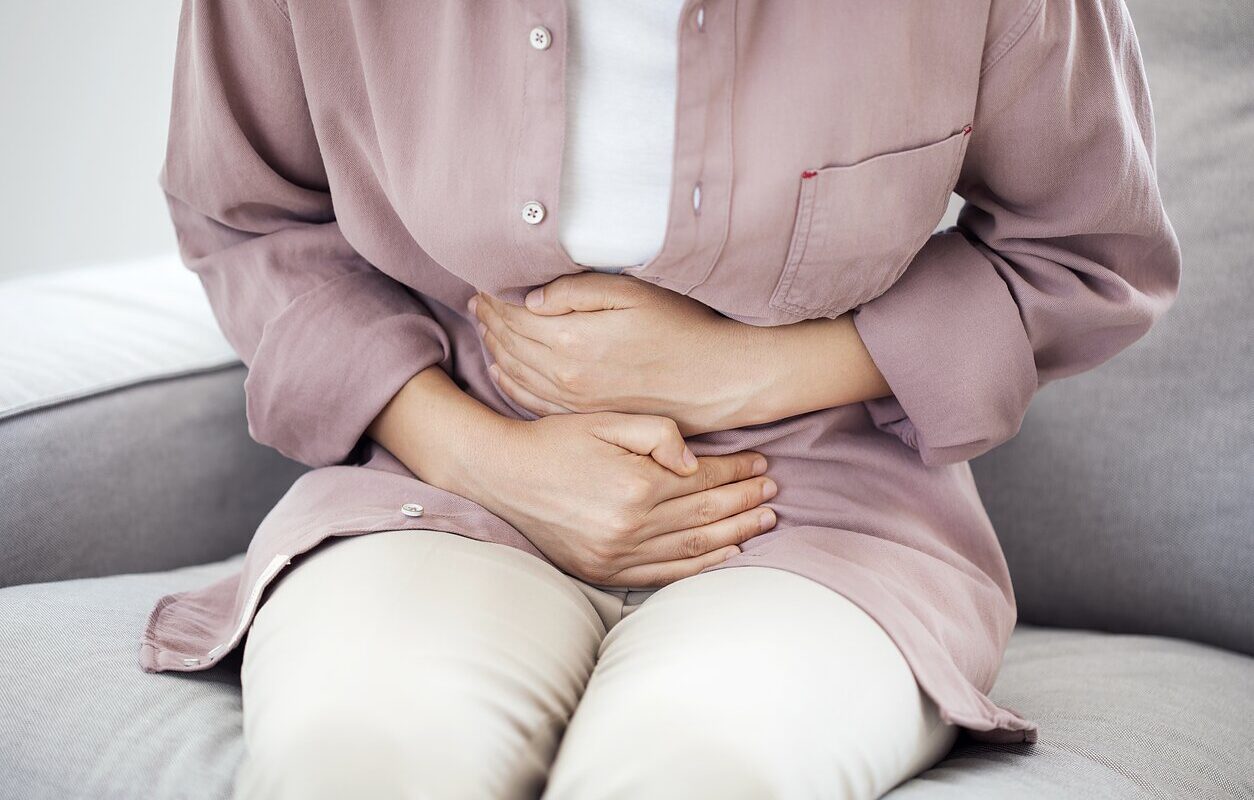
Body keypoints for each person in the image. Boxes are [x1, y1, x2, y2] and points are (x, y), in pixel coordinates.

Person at [141, 1, 1181, 798]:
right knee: (359, 759)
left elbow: (1087, 252)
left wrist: (745, 368)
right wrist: (479, 455)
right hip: (437, 487)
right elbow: (248, 219)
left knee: (701, 771)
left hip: (825, 514)